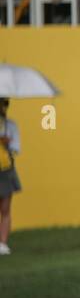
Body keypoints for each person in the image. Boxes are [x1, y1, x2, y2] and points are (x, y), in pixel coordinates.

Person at [0, 98, 20, 255]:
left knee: (5, 208)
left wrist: (5, 144)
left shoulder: (10, 126)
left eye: (4, 104)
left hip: (5, 170)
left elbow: (15, 149)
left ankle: (3, 243)